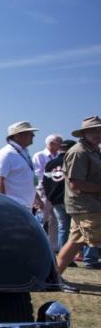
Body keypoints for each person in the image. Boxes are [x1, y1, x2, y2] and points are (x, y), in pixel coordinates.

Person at [56, 116, 101, 275]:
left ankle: (51, 277)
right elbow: (76, 184)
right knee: (77, 242)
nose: (97, 133)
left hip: (90, 205)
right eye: (92, 130)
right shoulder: (79, 152)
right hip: (86, 207)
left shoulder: (93, 150)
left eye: (99, 130)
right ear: (83, 133)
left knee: (75, 242)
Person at [0, 121, 39, 210]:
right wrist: (3, 206)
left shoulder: (24, 152)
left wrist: (37, 198)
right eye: (29, 133)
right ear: (17, 136)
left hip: (24, 206)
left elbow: (30, 177)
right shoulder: (6, 154)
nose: (33, 135)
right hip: (13, 207)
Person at [43, 140, 76, 256]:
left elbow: (45, 183)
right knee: (77, 228)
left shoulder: (50, 163)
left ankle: (64, 254)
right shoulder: (73, 161)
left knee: (63, 228)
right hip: (72, 200)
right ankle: (85, 256)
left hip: (56, 201)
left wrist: (50, 198)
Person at [33, 134, 63, 251]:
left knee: (54, 219)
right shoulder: (39, 156)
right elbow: (36, 176)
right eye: (59, 142)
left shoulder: (58, 157)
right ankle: (36, 245)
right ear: (51, 144)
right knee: (41, 218)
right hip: (42, 190)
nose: (61, 145)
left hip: (53, 191)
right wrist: (36, 192)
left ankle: (53, 247)